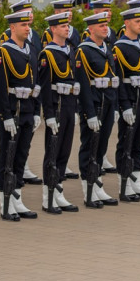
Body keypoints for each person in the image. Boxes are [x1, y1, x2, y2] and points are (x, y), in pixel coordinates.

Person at [37, 12, 90, 213]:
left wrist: (75, 109)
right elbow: (45, 87)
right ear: (53, 29)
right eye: (62, 26)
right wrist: (49, 115)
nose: (67, 29)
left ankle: (58, 189)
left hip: (68, 104)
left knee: (64, 151)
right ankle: (48, 195)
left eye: (67, 26)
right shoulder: (47, 54)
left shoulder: (71, 51)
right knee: (52, 151)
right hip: (57, 106)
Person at [0, 9, 40, 221]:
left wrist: (36, 111)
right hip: (13, 110)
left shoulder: (31, 49)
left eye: (28, 25)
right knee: (7, 155)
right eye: (23, 25)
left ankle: (17, 197)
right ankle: (5, 199)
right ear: (12, 27)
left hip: (28, 108)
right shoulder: (4, 52)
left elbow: (36, 84)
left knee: (21, 155)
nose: (27, 28)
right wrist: (6, 115)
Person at [111, 7, 140, 202]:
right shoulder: (119, 48)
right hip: (130, 100)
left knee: (139, 143)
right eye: (137, 21)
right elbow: (119, 81)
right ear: (127, 23)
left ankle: (136, 178)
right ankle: (125, 181)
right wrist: (125, 105)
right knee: (126, 143)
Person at [75, 10, 118, 208]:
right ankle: (88, 188)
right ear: (91, 29)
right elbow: (83, 85)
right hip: (94, 104)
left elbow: (112, 79)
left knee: (101, 146)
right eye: (101, 25)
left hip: (107, 102)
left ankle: (97, 182)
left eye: (106, 25)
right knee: (89, 146)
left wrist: (114, 106)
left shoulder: (106, 48)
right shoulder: (84, 51)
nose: (105, 28)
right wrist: (89, 113)